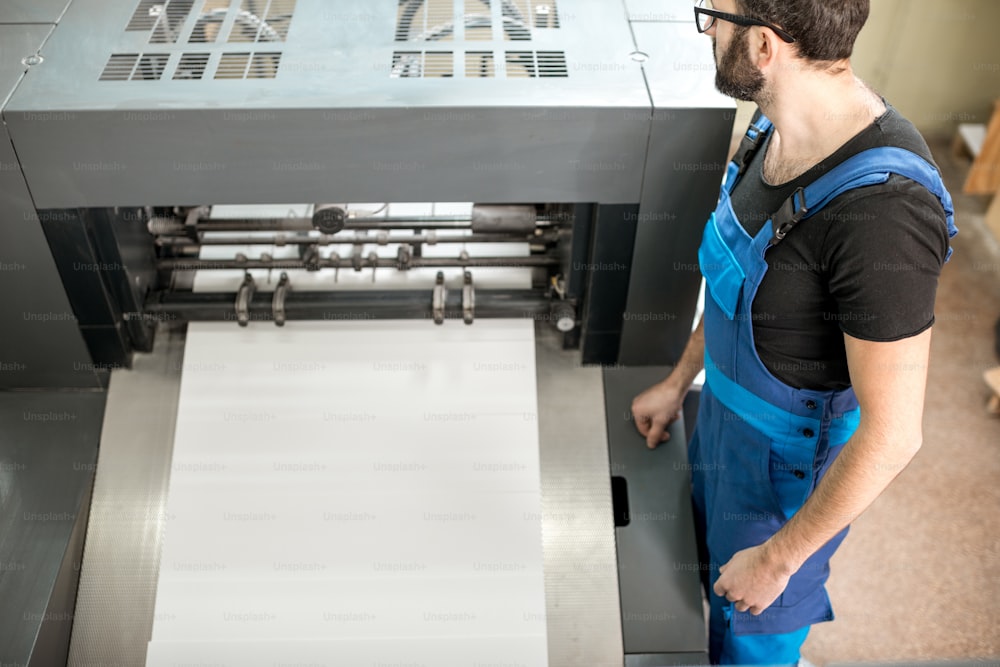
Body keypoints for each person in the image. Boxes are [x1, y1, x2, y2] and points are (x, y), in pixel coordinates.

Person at [631, 1, 958, 665]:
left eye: (712, 16)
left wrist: (779, 561)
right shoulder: (772, 127)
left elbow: (895, 434)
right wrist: (676, 383)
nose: (708, 31)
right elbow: (730, 293)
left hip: (784, 493)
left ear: (761, 47)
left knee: (752, 635)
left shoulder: (885, 213)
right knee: (696, 582)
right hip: (719, 425)